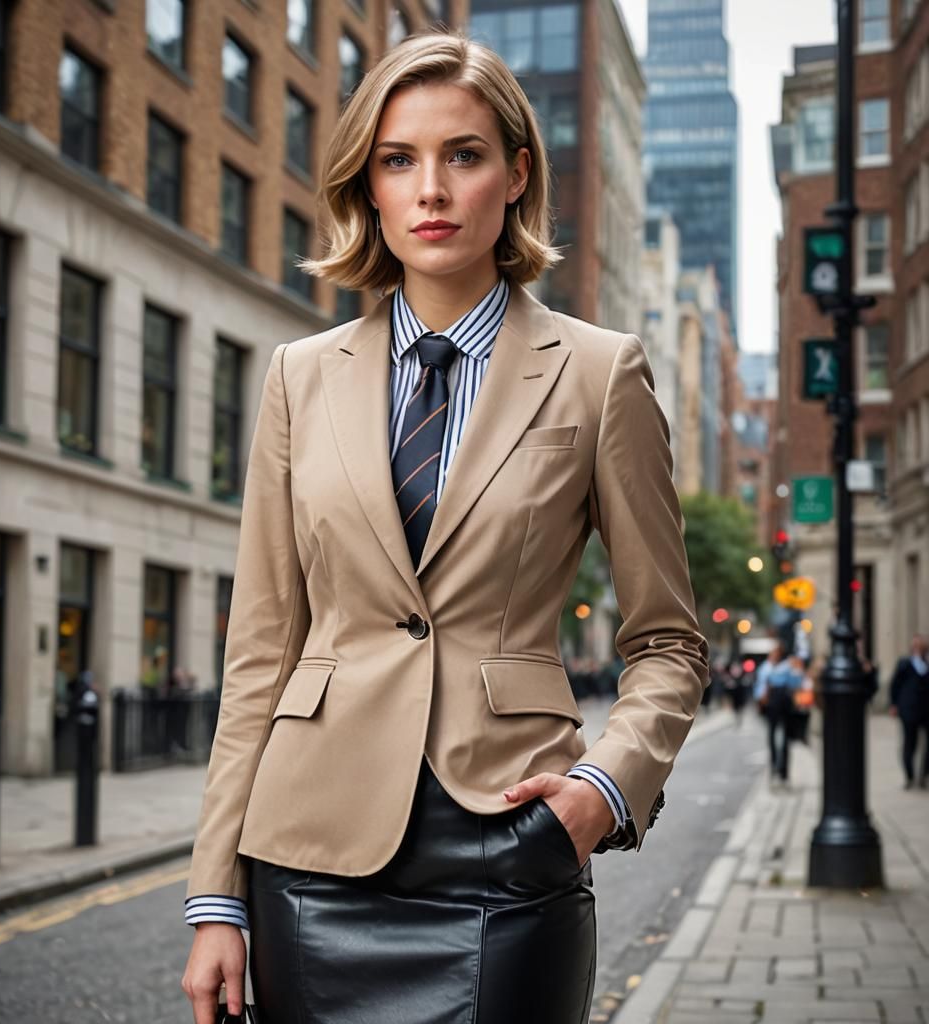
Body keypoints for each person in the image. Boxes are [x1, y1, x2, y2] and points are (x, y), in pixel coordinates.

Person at [180, 30, 708, 1024]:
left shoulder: (600, 373)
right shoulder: (299, 376)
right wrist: (216, 898)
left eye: (463, 155)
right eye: (398, 160)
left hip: (508, 849)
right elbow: (261, 650)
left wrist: (603, 790)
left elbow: (668, 642)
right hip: (310, 857)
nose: (430, 190)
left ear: (516, 175)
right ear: (368, 187)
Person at [754, 645, 805, 786]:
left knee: (784, 738)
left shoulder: (785, 667)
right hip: (773, 703)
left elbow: (796, 683)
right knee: (773, 735)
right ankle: (775, 767)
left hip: (783, 702)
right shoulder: (766, 668)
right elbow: (760, 687)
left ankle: (782, 771)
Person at [888, 634, 929, 790]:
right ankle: (910, 776)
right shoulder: (905, 663)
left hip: (926, 710)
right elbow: (895, 684)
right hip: (909, 709)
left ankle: (923, 775)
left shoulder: (927, 663)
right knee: (910, 743)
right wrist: (894, 704)